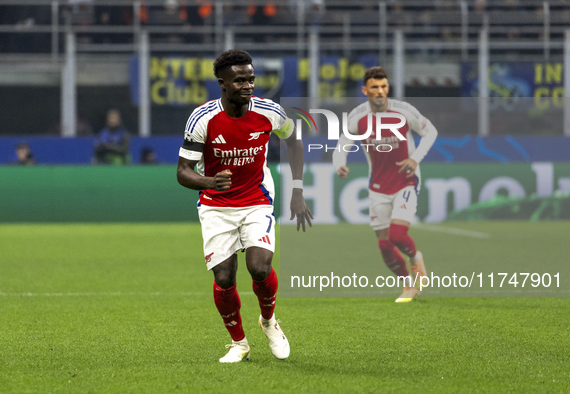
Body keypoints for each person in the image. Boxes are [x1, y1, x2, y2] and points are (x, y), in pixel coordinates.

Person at [176, 49, 313, 363]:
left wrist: (297, 190)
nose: (248, 85)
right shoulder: (203, 119)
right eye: (239, 80)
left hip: (256, 200)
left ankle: (268, 320)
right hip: (215, 205)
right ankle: (239, 343)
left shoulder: (270, 112)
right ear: (222, 83)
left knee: (259, 267)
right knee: (224, 278)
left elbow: (293, 141)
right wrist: (210, 182)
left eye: (251, 78)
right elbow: (182, 172)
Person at [333, 66, 438, 303]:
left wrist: (415, 158)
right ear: (365, 90)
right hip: (378, 186)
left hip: (405, 182)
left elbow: (430, 132)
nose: (380, 91)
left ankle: (415, 258)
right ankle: (408, 286)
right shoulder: (357, 117)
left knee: (398, 235)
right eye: (374, 88)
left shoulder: (404, 111)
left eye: (383, 87)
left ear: (387, 88)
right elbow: (343, 144)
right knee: (384, 245)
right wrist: (339, 163)